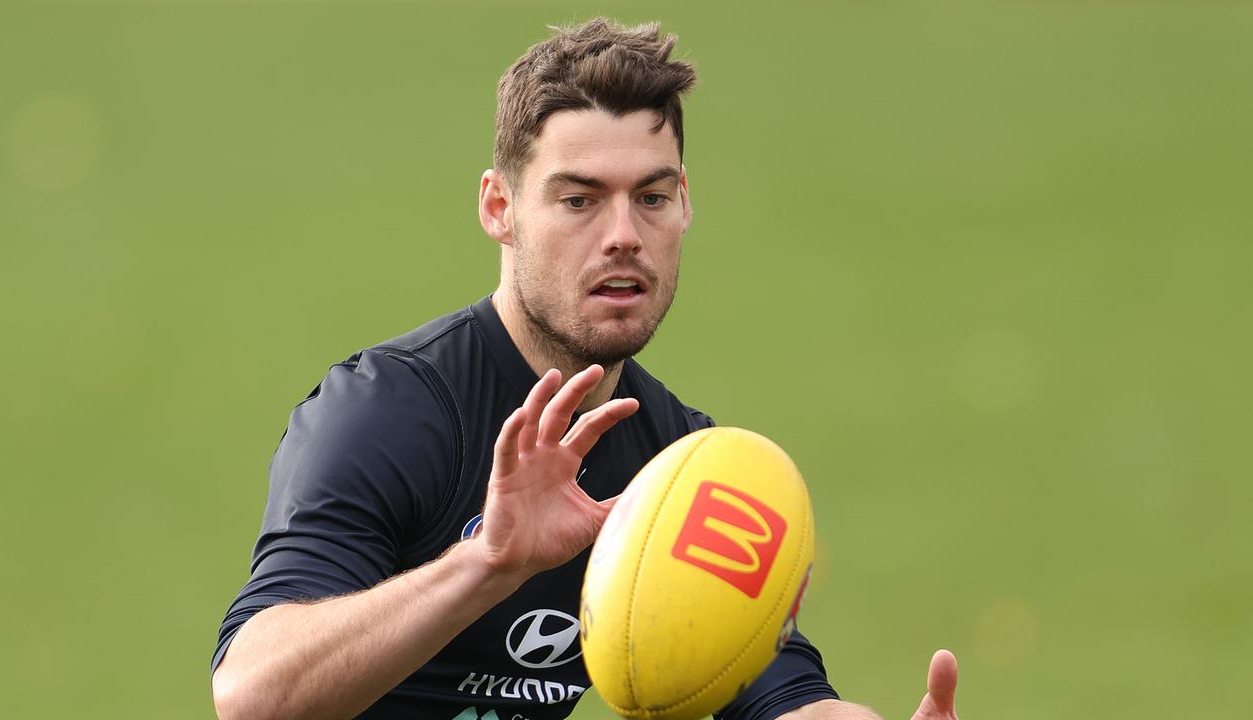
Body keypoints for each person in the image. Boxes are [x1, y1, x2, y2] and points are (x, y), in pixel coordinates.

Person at [211, 18, 960, 720]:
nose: (625, 236)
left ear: (685, 205)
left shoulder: (681, 470)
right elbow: (253, 692)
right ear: (499, 206)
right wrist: (488, 564)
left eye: (652, 197)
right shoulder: (390, 411)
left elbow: (780, 692)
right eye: (580, 200)